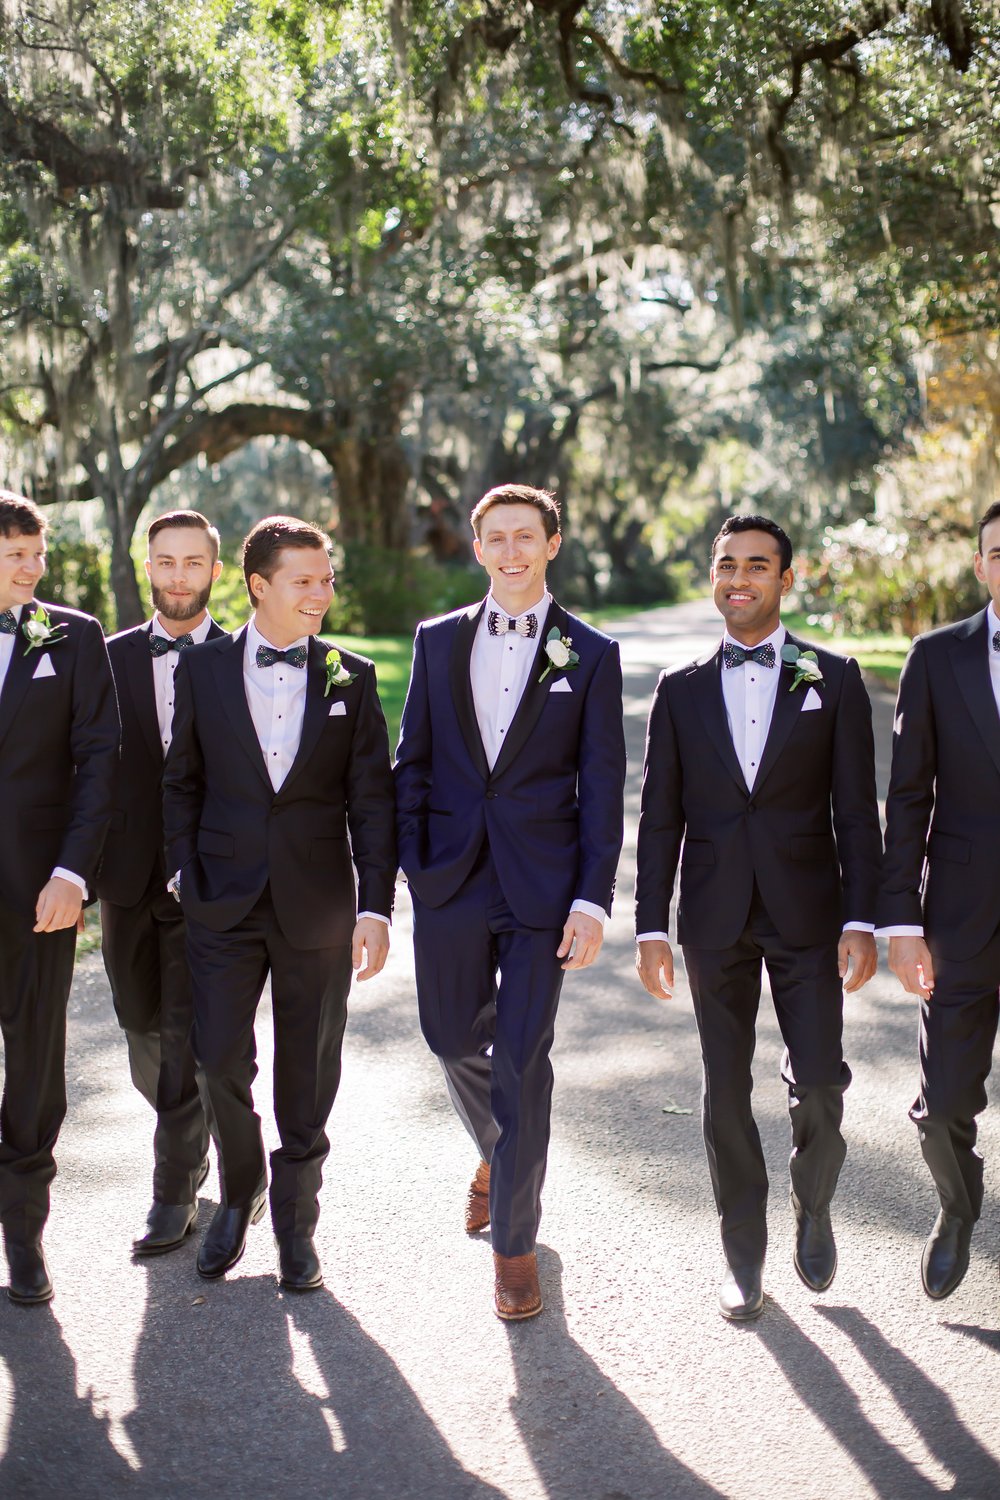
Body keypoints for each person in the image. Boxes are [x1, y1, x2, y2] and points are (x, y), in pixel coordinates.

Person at [635, 514, 881, 1322]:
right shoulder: (679, 689)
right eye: (727, 565)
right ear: (714, 576)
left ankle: (814, 1203)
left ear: (785, 577)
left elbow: (856, 813)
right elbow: (659, 818)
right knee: (724, 1090)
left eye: (757, 566)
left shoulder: (834, 677)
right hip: (712, 915)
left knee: (817, 1080)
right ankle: (743, 1252)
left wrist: (864, 918)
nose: (739, 579)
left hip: (808, 911)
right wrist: (649, 927)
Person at [395, 484, 626, 1321]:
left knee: (523, 1061)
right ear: (479, 547)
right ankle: (499, 1150)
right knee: (448, 1035)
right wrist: (402, 867)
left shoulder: (590, 653)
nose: (512, 551)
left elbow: (602, 787)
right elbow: (411, 759)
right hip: (450, 878)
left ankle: (515, 1249)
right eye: (496, 538)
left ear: (552, 543)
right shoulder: (437, 641)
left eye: (526, 536)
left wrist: (593, 901)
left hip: (543, 888)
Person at [162, 516, 396, 1291]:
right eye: (305, 580)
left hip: (318, 906)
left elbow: (373, 802)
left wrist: (375, 907)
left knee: (308, 1071)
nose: (321, 593)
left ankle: (297, 1224)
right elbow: (181, 782)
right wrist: (181, 873)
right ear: (258, 585)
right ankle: (239, 1189)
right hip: (220, 901)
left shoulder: (350, 677)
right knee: (218, 1057)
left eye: (327, 578)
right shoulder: (200, 673)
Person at [0, 491, 119, 1303]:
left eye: (39, 554)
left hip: (37, 892)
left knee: (36, 1067)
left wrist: (74, 875)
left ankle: (24, 1237)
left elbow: (100, 762)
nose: (34, 568)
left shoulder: (74, 638)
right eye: (18, 555)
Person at [879, 500, 1000, 1299]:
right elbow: (908, 795)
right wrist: (901, 921)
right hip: (960, 914)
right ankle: (958, 1209)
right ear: (981, 563)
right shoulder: (936, 657)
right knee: (943, 1103)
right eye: (998, 551)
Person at [97, 510, 225, 1257]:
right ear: (149, 568)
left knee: (180, 1038)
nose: (178, 577)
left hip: (208, 884)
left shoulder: (242, 659)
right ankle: (199, 1124)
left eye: (193, 563)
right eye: (165, 563)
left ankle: (172, 1192)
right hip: (125, 878)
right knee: (140, 1025)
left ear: (215, 571)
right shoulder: (103, 657)